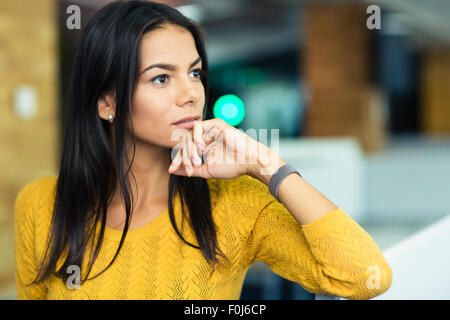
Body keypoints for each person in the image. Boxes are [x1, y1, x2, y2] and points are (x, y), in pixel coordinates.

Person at [14, 0, 392, 300]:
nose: (191, 93)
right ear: (106, 102)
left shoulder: (233, 203)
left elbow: (364, 277)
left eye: (195, 73)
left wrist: (267, 165)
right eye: (161, 78)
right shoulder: (42, 205)